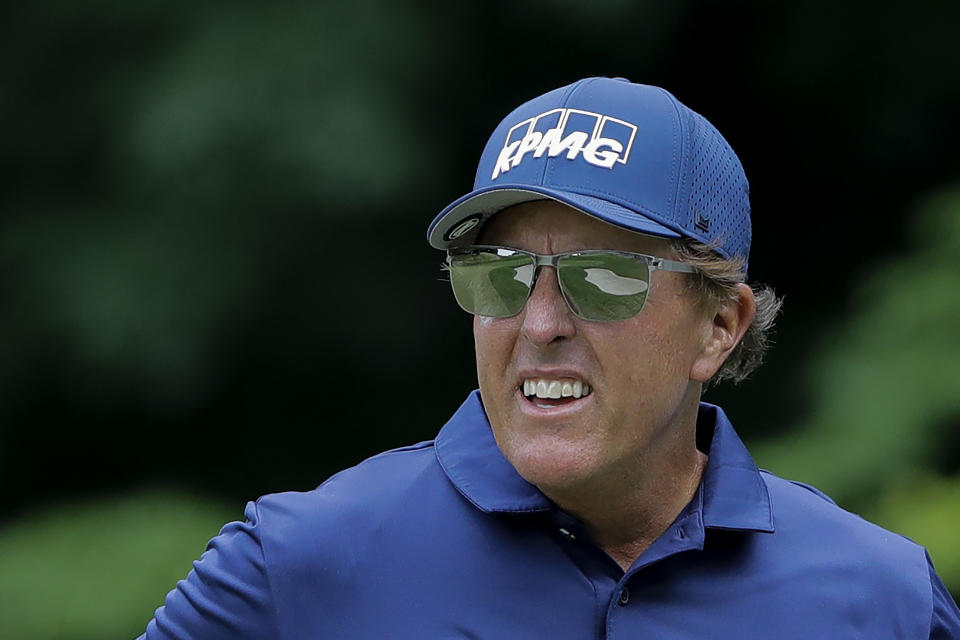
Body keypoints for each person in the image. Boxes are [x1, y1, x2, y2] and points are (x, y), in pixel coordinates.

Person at [138, 77, 960, 639]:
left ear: (720, 327)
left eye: (603, 278)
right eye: (498, 276)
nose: (538, 323)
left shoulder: (880, 596)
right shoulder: (296, 563)